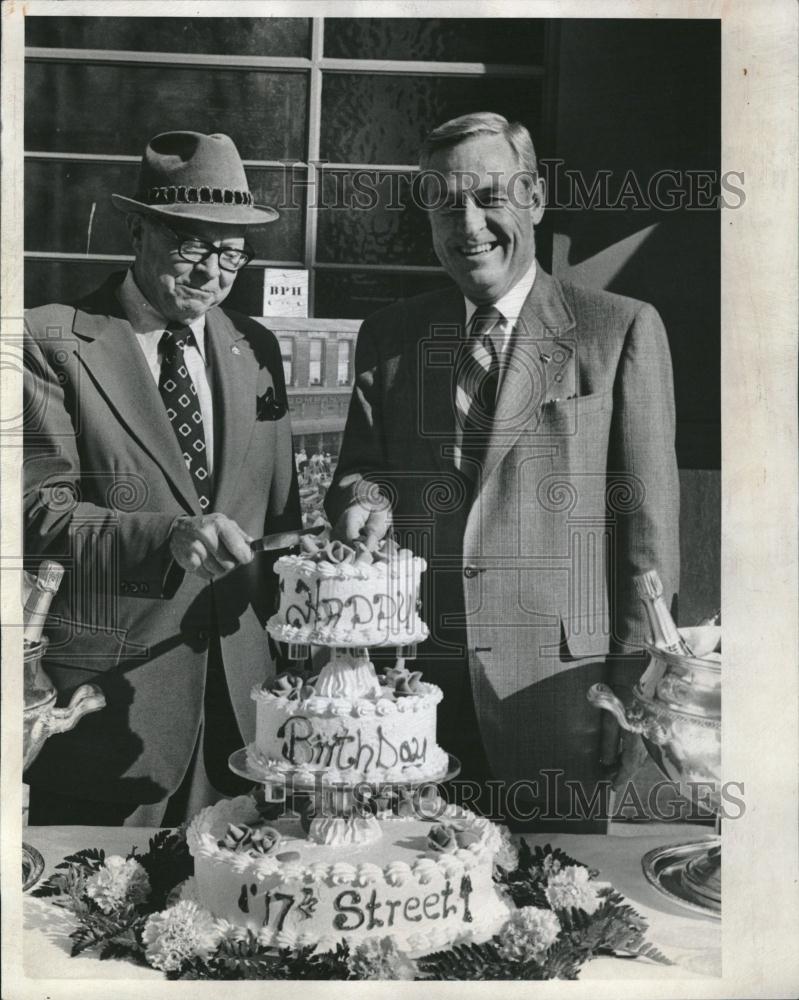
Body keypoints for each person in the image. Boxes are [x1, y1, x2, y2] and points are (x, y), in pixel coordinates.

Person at [325, 112, 679, 828]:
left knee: (549, 914)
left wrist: (630, 691)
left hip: (560, 696)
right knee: (410, 899)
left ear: (535, 200)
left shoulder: (616, 330)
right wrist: (363, 497)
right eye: (445, 203)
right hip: (410, 697)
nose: (468, 223)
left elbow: (646, 536)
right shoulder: (391, 338)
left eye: (489, 197)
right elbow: (364, 473)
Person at [24, 131, 300, 825]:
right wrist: (167, 537)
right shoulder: (50, 341)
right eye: (193, 246)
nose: (214, 272)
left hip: (243, 721)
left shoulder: (255, 347)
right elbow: (38, 514)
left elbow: (278, 521)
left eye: (232, 252)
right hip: (103, 711)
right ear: (137, 229)